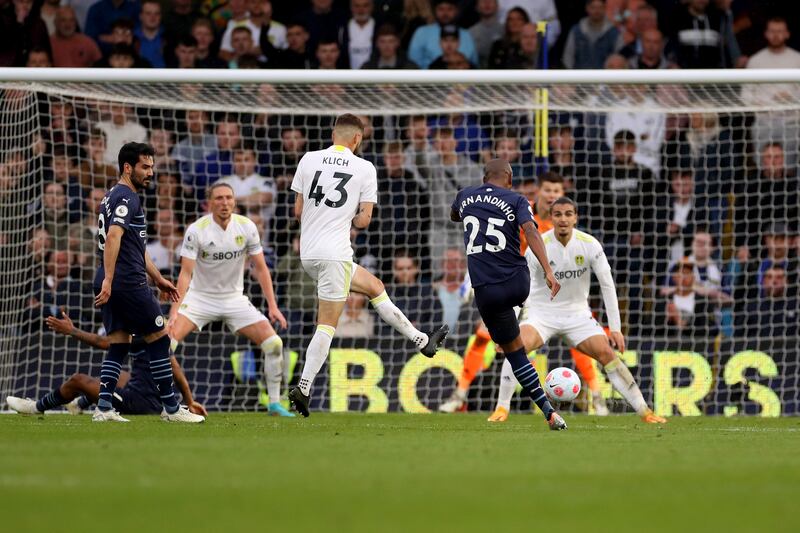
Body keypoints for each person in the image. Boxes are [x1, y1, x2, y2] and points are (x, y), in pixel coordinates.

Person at [287, 114, 449, 417]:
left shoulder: (308, 159)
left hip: (309, 254)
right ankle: (304, 387)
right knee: (326, 325)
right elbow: (363, 220)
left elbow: (297, 211)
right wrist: (346, 215)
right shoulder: (364, 168)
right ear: (357, 139)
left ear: (334, 133)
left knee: (375, 287)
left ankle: (422, 340)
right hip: (335, 253)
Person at [490, 197, 667, 424]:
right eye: (558, 214)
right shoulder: (537, 246)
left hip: (577, 315)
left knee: (607, 354)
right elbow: (519, 288)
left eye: (568, 214)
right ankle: (501, 409)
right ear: (551, 218)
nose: (563, 219)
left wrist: (615, 329)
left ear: (576, 217)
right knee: (516, 347)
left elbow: (607, 285)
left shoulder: (590, 244)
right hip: (541, 314)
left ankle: (645, 412)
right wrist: (508, 329)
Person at [450, 158, 566, 430]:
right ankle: (549, 412)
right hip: (518, 284)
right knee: (518, 347)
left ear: (484, 178)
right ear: (510, 178)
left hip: (486, 292)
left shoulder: (465, 196)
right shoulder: (517, 199)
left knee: (514, 354)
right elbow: (531, 231)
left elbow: (455, 215)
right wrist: (548, 270)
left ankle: (548, 411)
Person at [92, 142, 203, 423]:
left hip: (114, 278)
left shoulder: (110, 196)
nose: (150, 172)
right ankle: (172, 409)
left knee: (119, 343)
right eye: (145, 167)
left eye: (152, 167)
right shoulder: (128, 197)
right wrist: (111, 278)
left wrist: (159, 278)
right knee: (159, 338)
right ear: (128, 168)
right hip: (126, 281)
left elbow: (136, 247)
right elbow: (115, 237)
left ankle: (103, 408)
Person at [168, 182, 291, 416]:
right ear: (210, 203)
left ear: (234, 201)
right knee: (166, 344)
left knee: (274, 344)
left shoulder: (246, 227)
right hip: (199, 298)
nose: (224, 203)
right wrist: (174, 311)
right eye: (219, 198)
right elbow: (185, 273)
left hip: (234, 299)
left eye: (228, 198)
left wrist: (273, 307)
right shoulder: (197, 230)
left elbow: (262, 268)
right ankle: (165, 402)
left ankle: (274, 403)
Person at [6, 311, 207, 417]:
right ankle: (79, 404)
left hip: (139, 403)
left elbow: (104, 343)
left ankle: (35, 407)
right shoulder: (154, 329)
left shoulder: (139, 332)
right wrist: (189, 401)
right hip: (154, 398)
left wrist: (72, 331)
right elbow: (176, 370)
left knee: (78, 380)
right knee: (118, 375)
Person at [562, 0, 623, 69]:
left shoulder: (613, 33)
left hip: (605, 78)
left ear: (605, 8)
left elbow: (620, 59)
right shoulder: (576, 31)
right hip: (580, 78)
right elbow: (568, 58)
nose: (597, 11)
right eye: (593, 7)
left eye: (600, 7)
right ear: (587, 8)